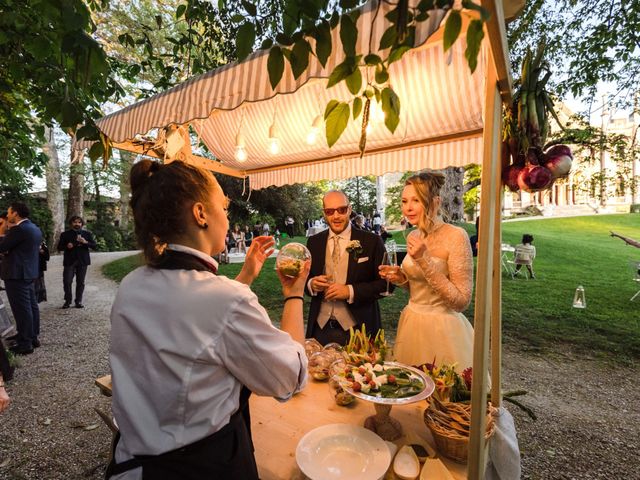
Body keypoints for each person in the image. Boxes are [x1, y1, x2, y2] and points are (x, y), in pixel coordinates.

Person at [106, 159, 308, 480]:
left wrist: (246, 274)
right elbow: (289, 377)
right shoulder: (223, 299)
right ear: (201, 214)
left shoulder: (132, 285)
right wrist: (294, 294)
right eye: (224, 207)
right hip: (197, 468)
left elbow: (194, 326)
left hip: (132, 464)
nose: (227, 219)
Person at [379, 172, 474, 371]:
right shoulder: (414, 234)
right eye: (404, 201)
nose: (408, 207)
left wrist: (424, 260)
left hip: (442, 330)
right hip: (412, 321)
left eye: (416, 200)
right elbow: (421, 288)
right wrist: (401, 279)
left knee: (441, 396)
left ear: (435, 202)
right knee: (409, 389)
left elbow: (461, 301)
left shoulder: (456, 236)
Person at [305, 190, 389, 346]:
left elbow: (387, 285)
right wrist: (311, 284)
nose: (336, 216)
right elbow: (304, 281)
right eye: (330, 211)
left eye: (342, 210)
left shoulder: (372, 241)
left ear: (350, 210)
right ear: (324, 213)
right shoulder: (313, 242)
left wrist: (350, 291)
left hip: (359, 329)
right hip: (319, 329)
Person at [0, 202, 42, 355]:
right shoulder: (34, 228)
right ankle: (32, 336)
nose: (8, 215)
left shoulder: (19, 229)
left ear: (16, 213)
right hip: (28, 273)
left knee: (22, 309)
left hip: (16, 274)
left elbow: (2, 247)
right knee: (31, 306)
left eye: (10, 212)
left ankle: (25, 344)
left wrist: (1, 230)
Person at [57, 216, 97, 308]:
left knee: (80, 282)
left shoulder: (87, 234)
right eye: (75, 222)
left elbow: (94, 246)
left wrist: (85, 242)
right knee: (67, 281)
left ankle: (78, 301)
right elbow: (59, 247)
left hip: (83, 261)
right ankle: (67, 301)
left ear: (82, 224)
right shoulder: (65, 234)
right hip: (69, 261)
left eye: (79, 222)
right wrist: (67, 246)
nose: (77, 224)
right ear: (71, 223)